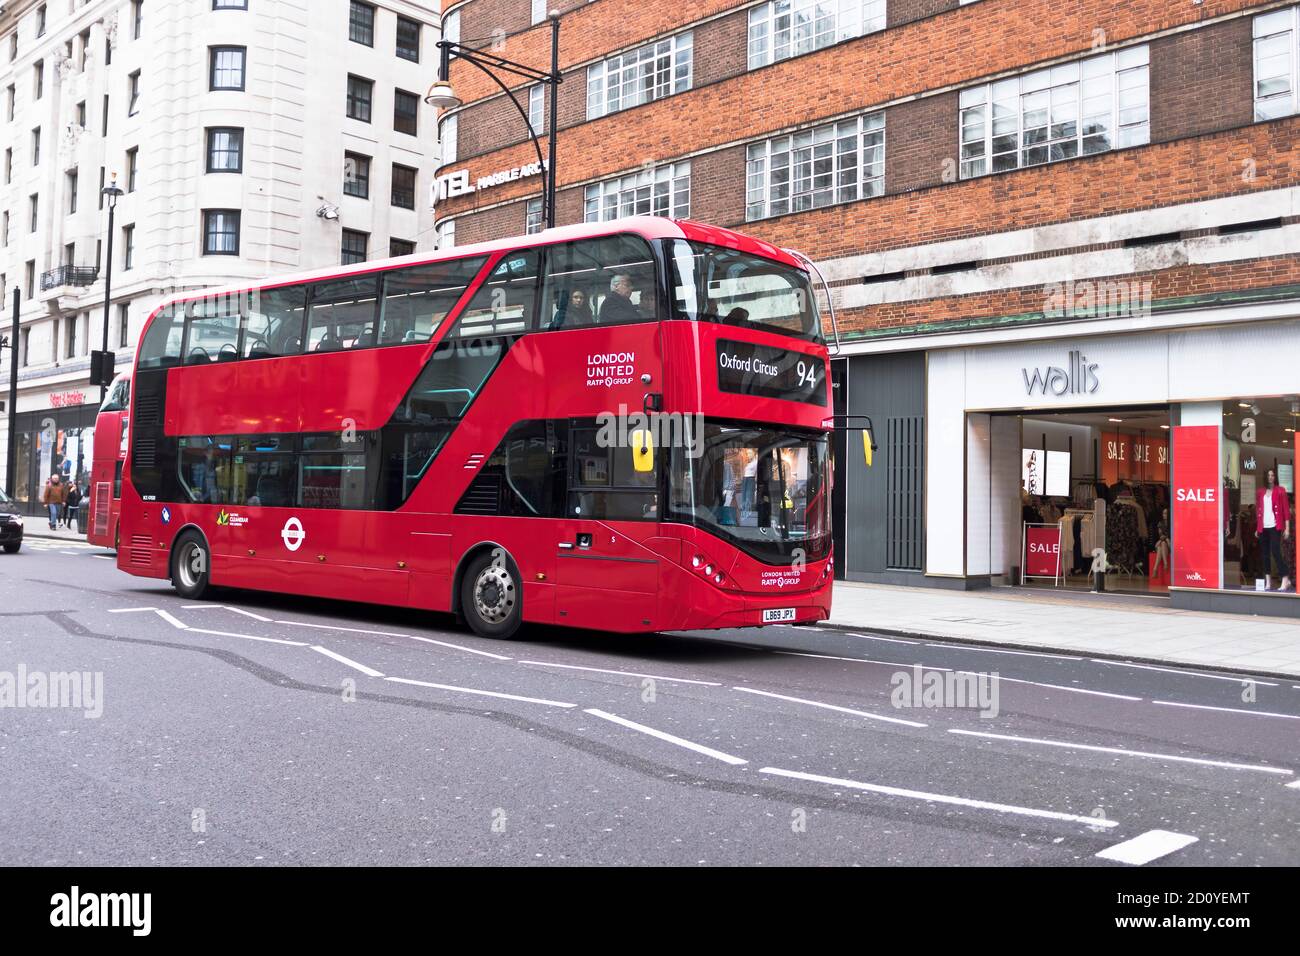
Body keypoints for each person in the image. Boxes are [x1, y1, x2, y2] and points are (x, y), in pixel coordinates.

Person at [1257, 467, 1292, 591]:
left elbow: (1286, 511)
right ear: (1265, 477)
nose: (1270, 477)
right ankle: (1268, 582)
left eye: (1272, 475)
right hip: (1263, 527)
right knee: (1265, 555)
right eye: (1268, 475)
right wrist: (1258, 528)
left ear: (1275, 477)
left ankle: (1285, 578)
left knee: (1276, 552)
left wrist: (1287, 528)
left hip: (1275, 526)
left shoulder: (1280, 490)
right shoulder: (1261, 492)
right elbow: (1259, 511)